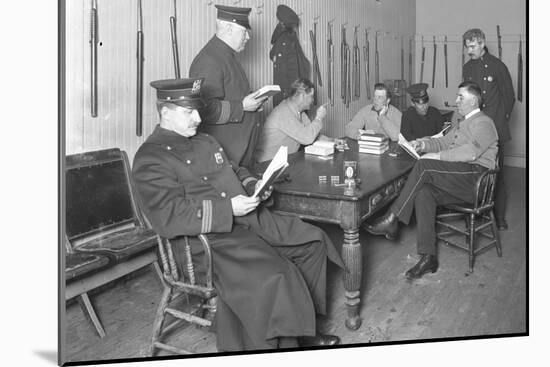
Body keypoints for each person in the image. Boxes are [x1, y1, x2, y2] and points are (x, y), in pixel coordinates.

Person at [132, 78, 344, 352]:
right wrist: (227, 209)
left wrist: (255, 185)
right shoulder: (151, 158)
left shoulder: (205, 141)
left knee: (313, 241)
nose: (198, 118)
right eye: (189, 112)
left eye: (198, 110)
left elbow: (236, 171)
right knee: (278, 273)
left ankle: (303, 328)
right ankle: (285, 340)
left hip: (245, 221)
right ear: (165, 112)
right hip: (206, 243)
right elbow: (169, 216)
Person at [365, 81, 498, 280]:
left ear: (474, 101)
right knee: (424, 192)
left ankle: (392, 218)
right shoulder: (462, 122)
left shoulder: (484, 122)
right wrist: (423, 144)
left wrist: (436, 157)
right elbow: (443, 142)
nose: (456, 101)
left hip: (476, 180)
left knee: (424, 165)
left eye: (461, 97)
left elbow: (471, 153)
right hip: (462, 177)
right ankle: (428, 257)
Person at [189, 4, 268, 168]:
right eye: (244, 31)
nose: (248, 37)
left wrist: (253, 102)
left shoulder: (226, 56)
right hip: (225, 154)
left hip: (238, 152)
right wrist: (243, 106)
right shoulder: (209, 60)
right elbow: (204, 109)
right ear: (228, 28)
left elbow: (232, 94)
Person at [462, 28, 515, 230]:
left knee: (496, 174)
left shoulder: (498, 66)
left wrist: (499, 122)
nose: (469, 51)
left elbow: (509, 97)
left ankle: (499, 217)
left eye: (473, 46)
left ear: (482, 43)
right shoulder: (467, 68)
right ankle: (473, 214)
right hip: (474, 130)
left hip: (495, 129)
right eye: (467, 47)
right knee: (472, 172)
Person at [255, 78, 331, 163]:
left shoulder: (299, 112)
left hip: (282, 162)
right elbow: (308, 138)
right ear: (302, 96)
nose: (313, 100)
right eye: (311, 97)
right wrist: (319, 118)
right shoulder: (283, 112)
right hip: (266, 165)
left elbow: (312, 134)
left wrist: (333, 141)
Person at [269, 4, 311, 107]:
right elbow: (289, 70)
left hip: (287, 94)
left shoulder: (284, 39)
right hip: (288, 93)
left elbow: (273, 57)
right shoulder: (287, 39)